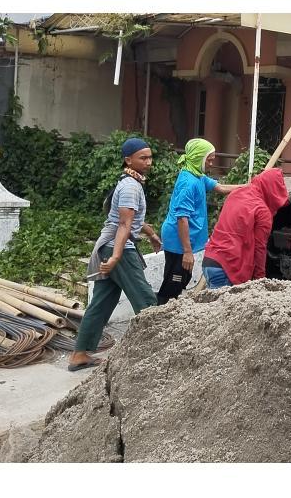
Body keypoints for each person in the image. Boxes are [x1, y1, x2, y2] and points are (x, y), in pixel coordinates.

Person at [68, 138, 161, 371]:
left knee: (101, 302)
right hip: (118, 249)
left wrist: (151, 233)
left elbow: (131, 220)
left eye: (150, 157)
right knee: (147, 301)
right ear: (128, 160)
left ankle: (79, 355)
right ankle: (156, 354)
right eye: (143, 158)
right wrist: (116, 257)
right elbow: (123, 224)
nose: (149, 162)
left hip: (110, 247)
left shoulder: (130, 182)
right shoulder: (130, 186)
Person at [156, 138, 244, 305]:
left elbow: (221, 188)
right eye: (209, 160)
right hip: (178, 241)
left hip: (185, 240)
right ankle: (159, 312)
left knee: (183, 278)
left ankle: (167, 309)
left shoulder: (198, 175)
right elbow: (182, 219)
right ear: (198, 158)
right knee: (174, 282)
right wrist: (187, 252)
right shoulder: (188, 183)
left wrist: (250, 186)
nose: (211, 164)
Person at [202, 168, 290, 288]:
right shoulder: (262, 211)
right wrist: (260, 280)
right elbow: (260, 248)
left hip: (209, 260)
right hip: (228, 267)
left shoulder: (236, 194)